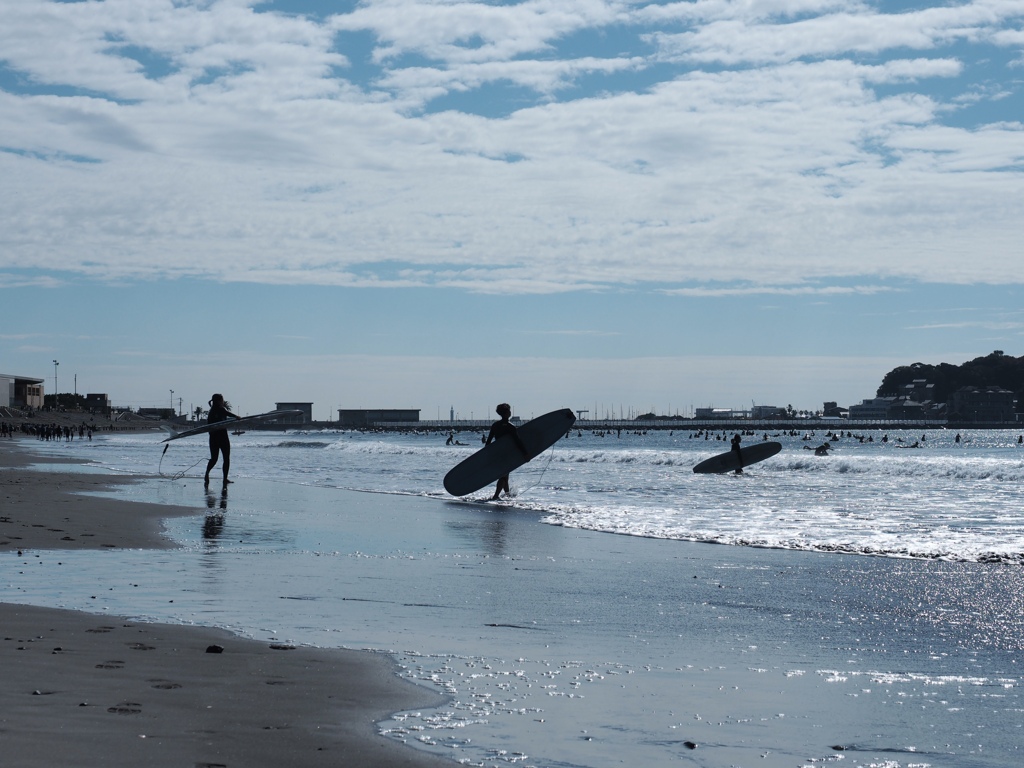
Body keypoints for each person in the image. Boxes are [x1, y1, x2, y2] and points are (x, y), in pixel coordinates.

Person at [485, 403, 530, 500]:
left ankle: (507, 495)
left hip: (497, 454)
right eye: (509, 410)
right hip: (507, 454)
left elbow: (488, 442)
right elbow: (518, 442)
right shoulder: (511, 426)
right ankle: (495, 496)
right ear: (506, 413)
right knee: (503, 475)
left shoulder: (495, 425)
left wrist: (486, 456)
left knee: (505, 474)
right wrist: (525, 453)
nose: (510, 412)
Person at [204, 394, 239, 487]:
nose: (223, 401)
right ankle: (224, 479)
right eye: (222, 400)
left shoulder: (211, 411)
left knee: (214, 459)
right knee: (226, 459)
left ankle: (207, 474)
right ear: (219, 401)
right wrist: (237, 416)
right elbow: (228, 414)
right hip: (222, 437)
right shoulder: (220, 409)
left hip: (213, 438)